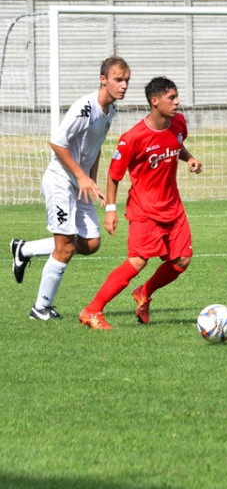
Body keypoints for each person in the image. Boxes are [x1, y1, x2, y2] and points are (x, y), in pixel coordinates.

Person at [10, 56, 131, 320]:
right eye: (118, 79)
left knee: (90, 243)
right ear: (103, 79)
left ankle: (25, 249)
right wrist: (81, 176)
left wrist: (92, 180)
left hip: (81, 183)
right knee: (65, 248)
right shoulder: (85, 108)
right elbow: (57, 143)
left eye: (126, 81)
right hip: (61, 182)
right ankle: (40, 309)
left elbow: (95, 149)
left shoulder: (112, 110)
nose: (123, 85)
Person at [79, 76, 202, 330]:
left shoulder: (178, 123)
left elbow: (177, 145)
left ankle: (144, 292)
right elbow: (114, 176)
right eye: (172, 98)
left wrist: (189, 158)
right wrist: (111, 210)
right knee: (137, 261)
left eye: (177, 97)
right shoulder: (132, 138)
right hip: (144, 210)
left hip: (173, 208)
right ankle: (92, 310)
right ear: (154, 101)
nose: (177, 102)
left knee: (182, 260)